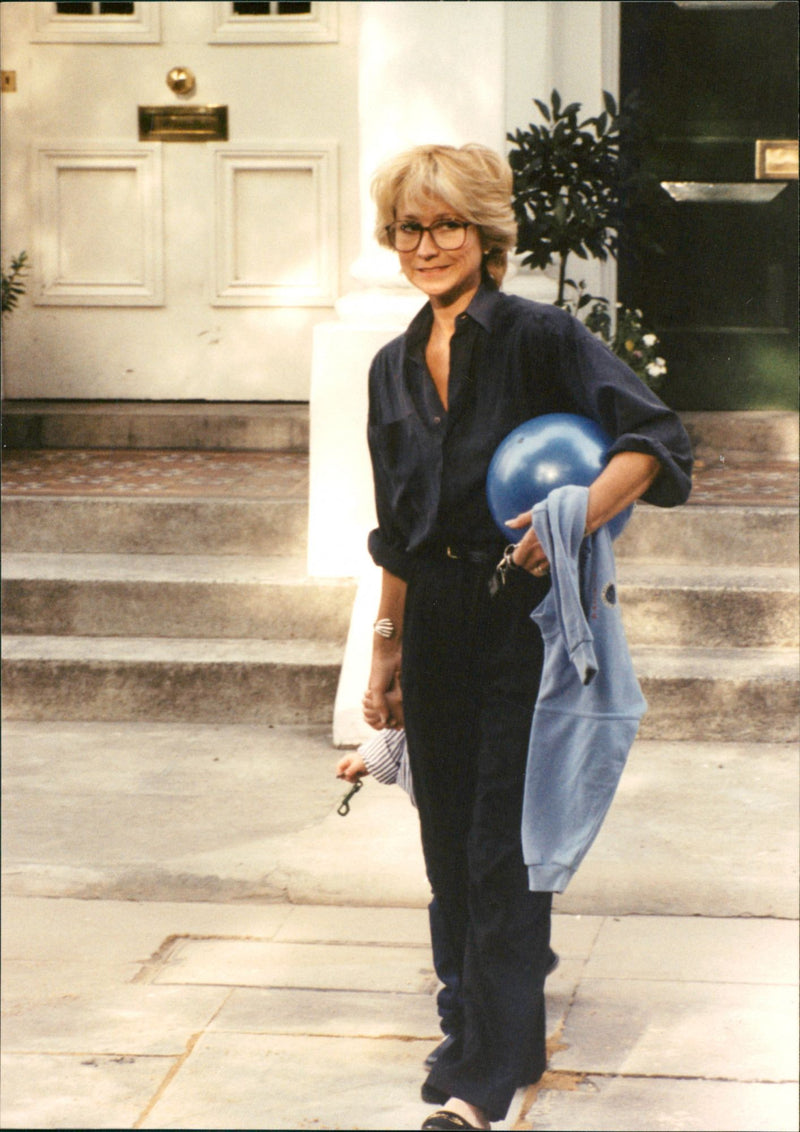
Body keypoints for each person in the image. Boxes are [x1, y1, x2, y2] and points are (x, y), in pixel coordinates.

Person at [363, 143, 692, 1130]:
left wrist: (571, 519)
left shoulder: (540, 338)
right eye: (409, 227)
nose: (426, 244)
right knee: (444, 843)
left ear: (485, 234)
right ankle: (470, 1015)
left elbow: (655, 441)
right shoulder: (387, 367)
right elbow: (394, 521)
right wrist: (384, 644)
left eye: (447, 224)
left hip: (525, 620)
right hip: (434, 623)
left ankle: (485, 1077)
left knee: (502, 842)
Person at [335, 715, 559, 1073]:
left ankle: (474, 1015)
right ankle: (463, 1021)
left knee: (488, 898)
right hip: (446, 798)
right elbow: (423, 705)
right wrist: (377, 751)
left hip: (499, 784)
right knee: (456, 903)